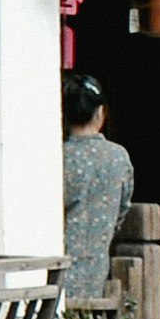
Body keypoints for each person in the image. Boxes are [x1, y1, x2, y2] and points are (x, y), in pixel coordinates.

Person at [57, 84, 134, 306]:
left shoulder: (58, 156)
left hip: (55, 271)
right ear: (100, 112)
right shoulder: (118, 157)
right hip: (97, 268)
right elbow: (122, 209)